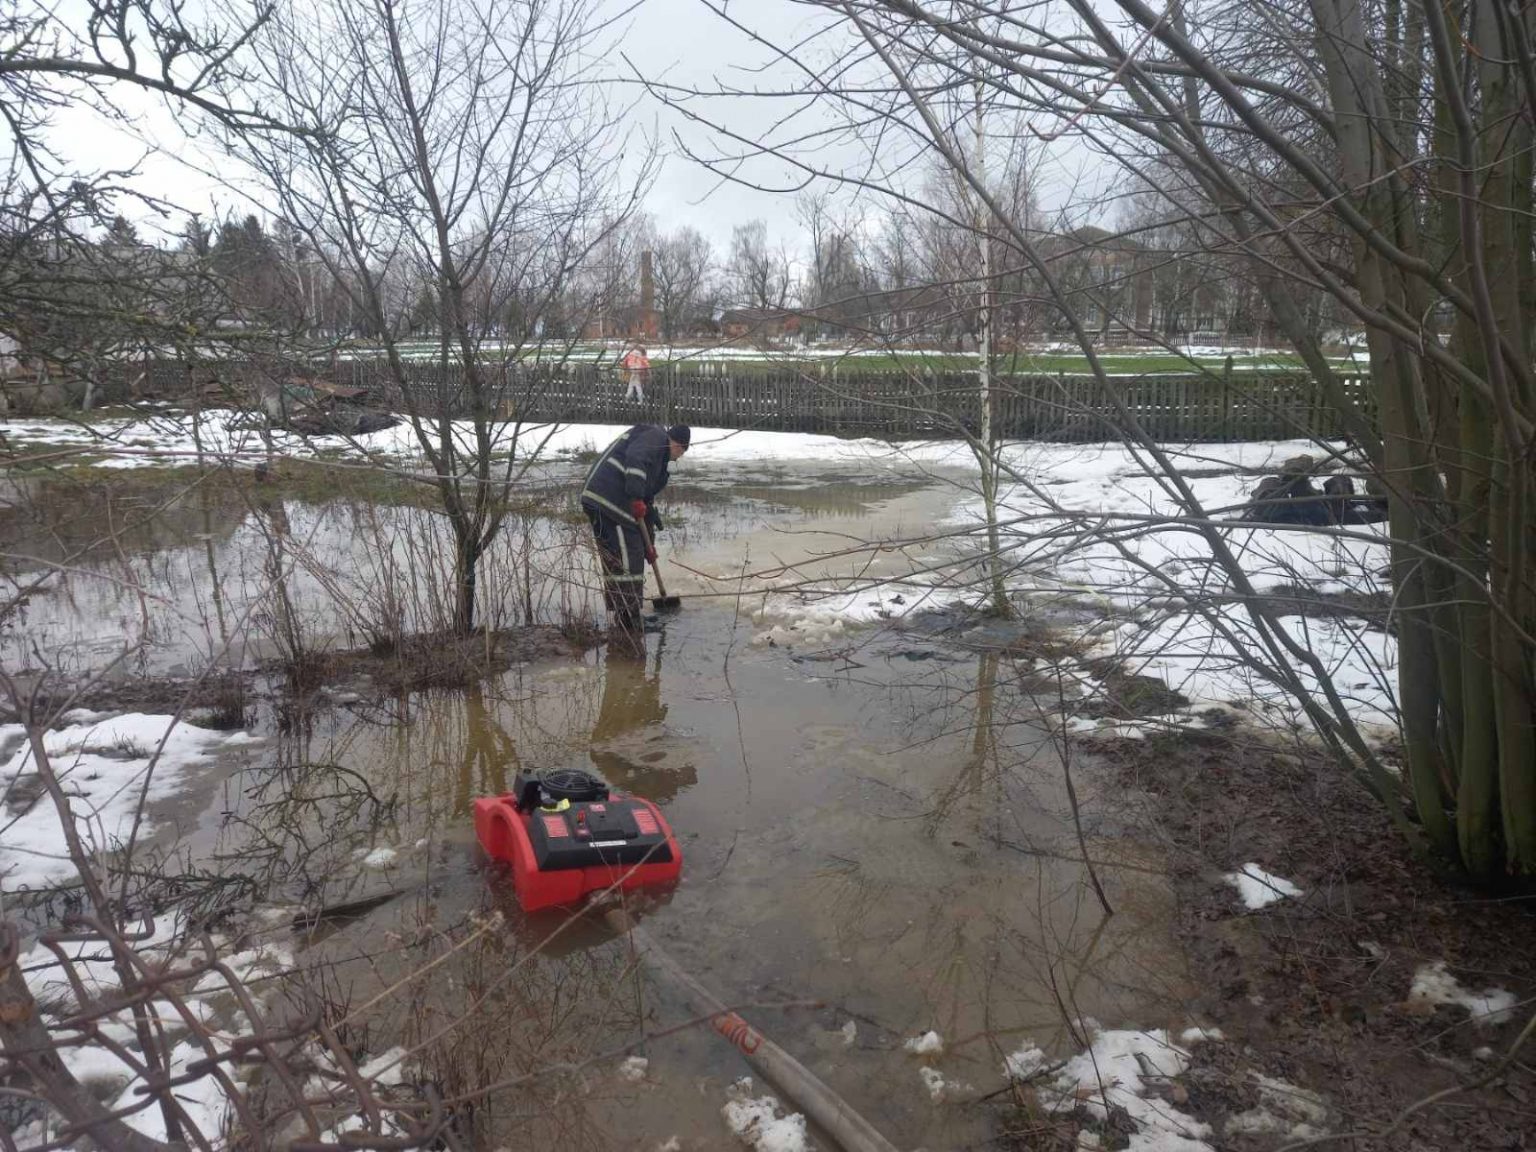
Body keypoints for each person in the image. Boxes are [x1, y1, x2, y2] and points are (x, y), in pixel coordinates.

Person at [580, 423, 690, 636]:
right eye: (681, 453)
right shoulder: (656, 437)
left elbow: (644, 503)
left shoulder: (658, 463)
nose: (677, 458)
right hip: (610, 499)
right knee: (630, 555)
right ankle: (629, 620)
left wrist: (649, 543)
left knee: (618, 558)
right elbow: (636, 458)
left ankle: (625, 617)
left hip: (606, 501)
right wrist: (636, 496)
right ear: (678, 445)